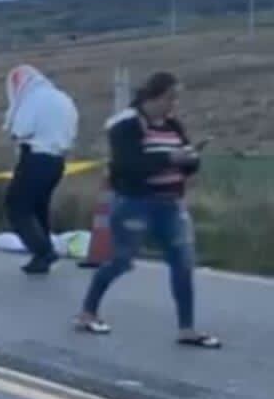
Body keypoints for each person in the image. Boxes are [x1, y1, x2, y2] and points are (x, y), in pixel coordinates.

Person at [75, 71, 220, 348]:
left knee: (183, 262)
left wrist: (190, 158)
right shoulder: (126, 125)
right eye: (170, 98)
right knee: (121, 261)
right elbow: (128, 165)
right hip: (135, 203)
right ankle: (87, 312)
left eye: (176, 99)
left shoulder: (173, 126)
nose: (173, 105)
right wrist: (170, 157)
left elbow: (186, 162)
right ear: (153, 96)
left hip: (171, 203)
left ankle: (187, 328)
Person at [3, 64, 78, 274]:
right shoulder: (63, 99)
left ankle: (43, 250)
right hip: (57, 161)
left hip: (35, 157)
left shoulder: (32, 99)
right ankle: (41, 256)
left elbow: (22, 129)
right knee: (38, 208)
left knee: (17, 207)